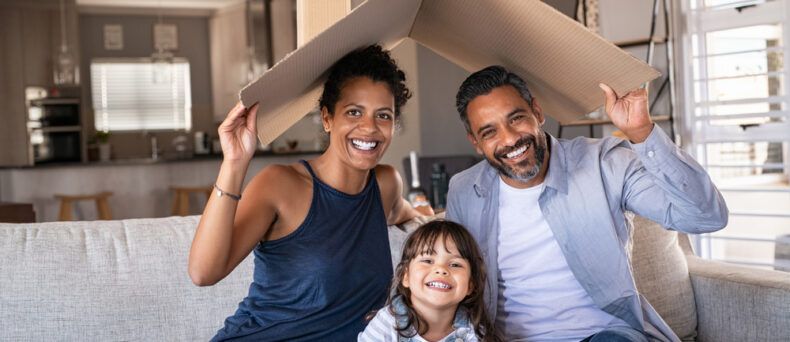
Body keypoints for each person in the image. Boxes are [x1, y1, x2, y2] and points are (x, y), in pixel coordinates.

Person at [445, 66, 728, 342]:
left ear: (537, 112)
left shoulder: (604, 163)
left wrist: (642, 132)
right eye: (489, 132)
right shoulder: (464, 190)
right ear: (476, 142)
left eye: (516, 118)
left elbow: (707, 217)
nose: (509, 138)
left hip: (607, 335)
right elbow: (456, 283)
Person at [188, 44, 429, 342]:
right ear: (327, 118)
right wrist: (234, 163)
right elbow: (203, 273)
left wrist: (434, 216)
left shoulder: (386, 184)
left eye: (383, 116)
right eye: (354, 112)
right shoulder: (280, 184)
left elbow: (410, 214)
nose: (369, 128)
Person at [358, 220, 503, 342]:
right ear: (405, 276)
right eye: (427, 260)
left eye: (455, 264)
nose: (441, 269)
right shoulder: (387, 324)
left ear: (471, 285)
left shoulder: (474, 332)